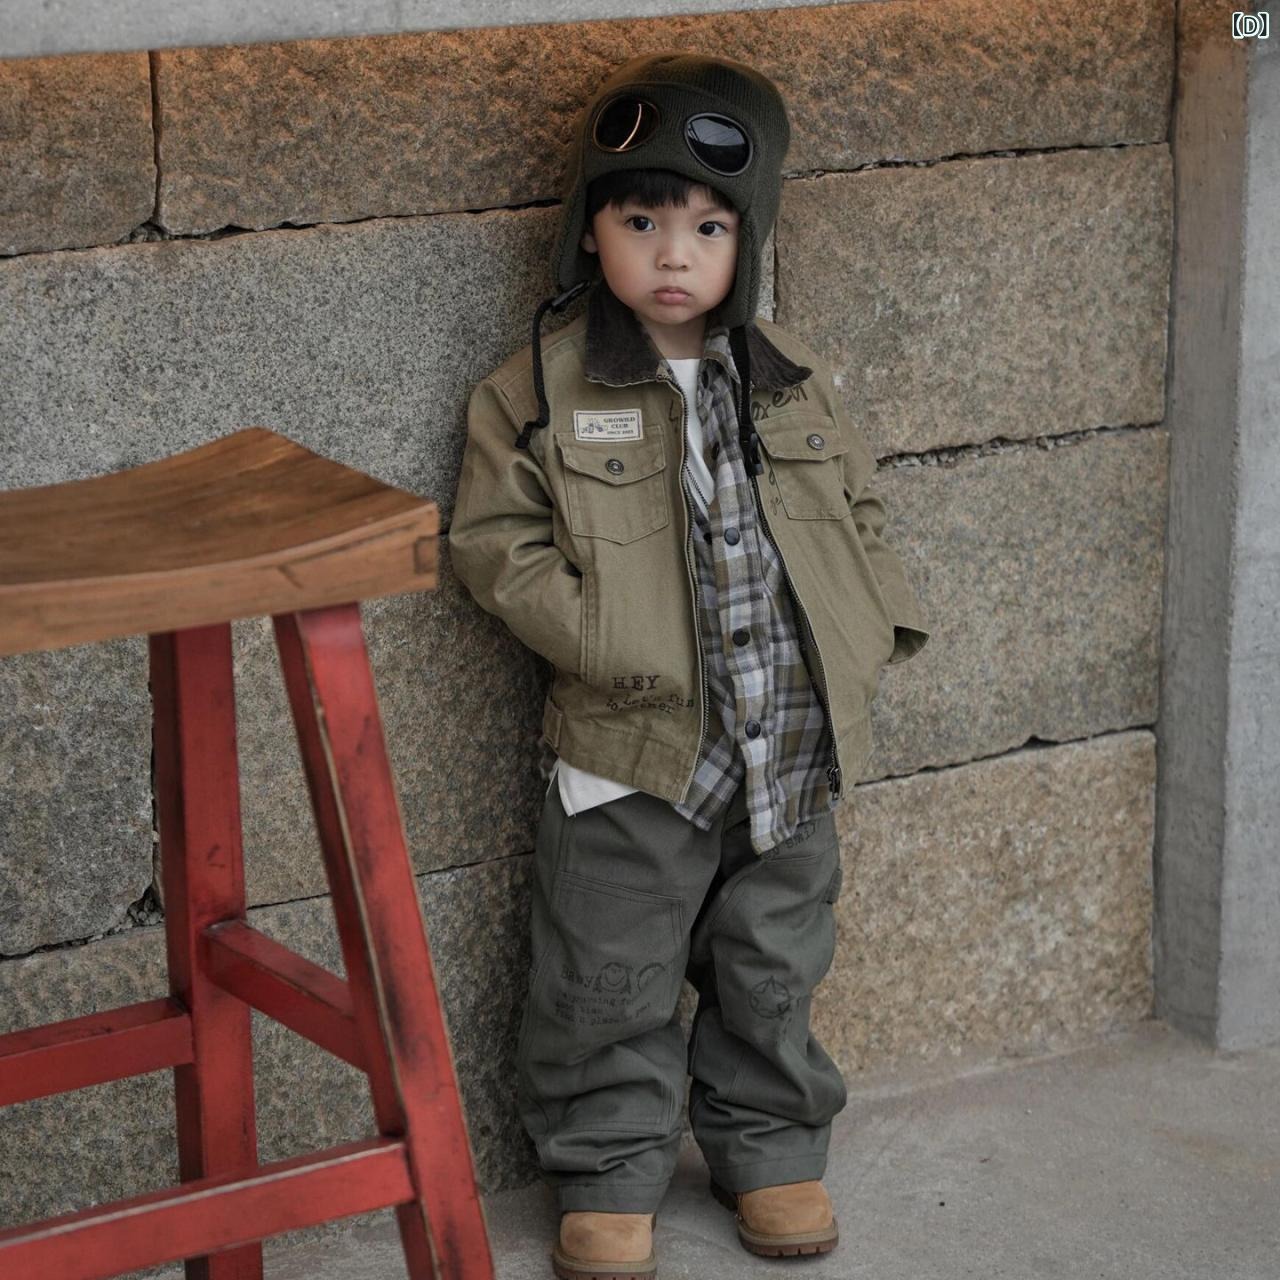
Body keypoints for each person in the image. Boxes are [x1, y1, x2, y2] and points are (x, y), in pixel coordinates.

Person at [450, 51, 929, 1280]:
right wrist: (607, 637)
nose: (673, 253)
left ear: (745, 240)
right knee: (604, 969)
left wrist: (869, 630)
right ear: (588, 228)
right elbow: (495, 544)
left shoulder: (788, 378)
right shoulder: (535, 390)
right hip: (634, 751)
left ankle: (768, 1149)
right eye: (641, 221)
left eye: (708, 226)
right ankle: (608, 1168)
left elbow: (859, 510)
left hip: (789, 744)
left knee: (773, 959)